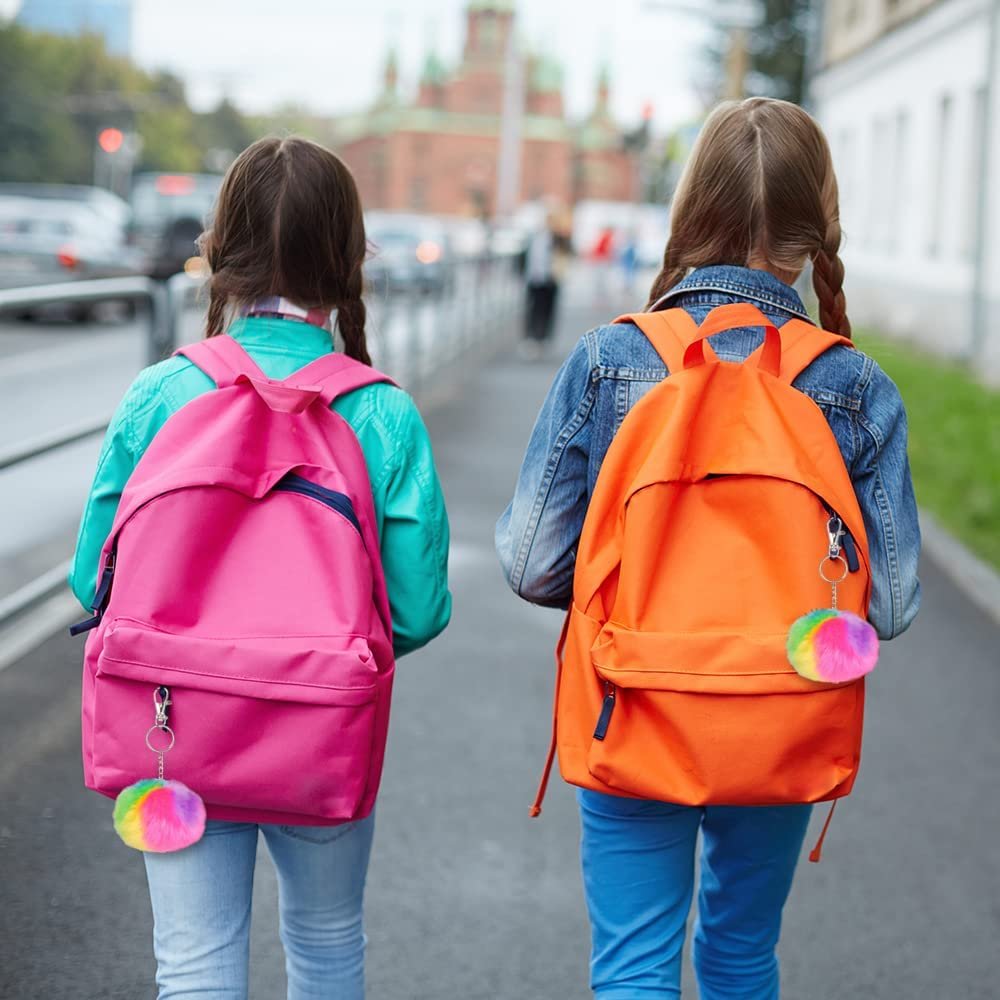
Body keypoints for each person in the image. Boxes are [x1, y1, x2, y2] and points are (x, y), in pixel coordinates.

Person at [496, 98, 920, 998]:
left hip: (633, 697)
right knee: (737, 955)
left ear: (691, 209)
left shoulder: (612, 359)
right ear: (816, 229)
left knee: (635, 966)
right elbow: (890, 604)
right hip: (782, 706)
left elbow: (532, 561)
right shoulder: (854, 385)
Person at [70, 137, 451, 1000]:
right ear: (350, 258)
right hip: (321, 729)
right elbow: (419, 611)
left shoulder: (163, 393)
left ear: (219, 249)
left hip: (175, 726)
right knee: (325, 943)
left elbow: (91, 580)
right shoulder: (381, 411)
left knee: (194, 963)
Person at [523, 210, 570, 356]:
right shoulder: (536, 236)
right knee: (533, 309)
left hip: (551, 280)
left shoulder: (559, 238)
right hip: (535, 279)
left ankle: (543, 338)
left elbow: (566, 254)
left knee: (548, 310)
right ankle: (532, 338)